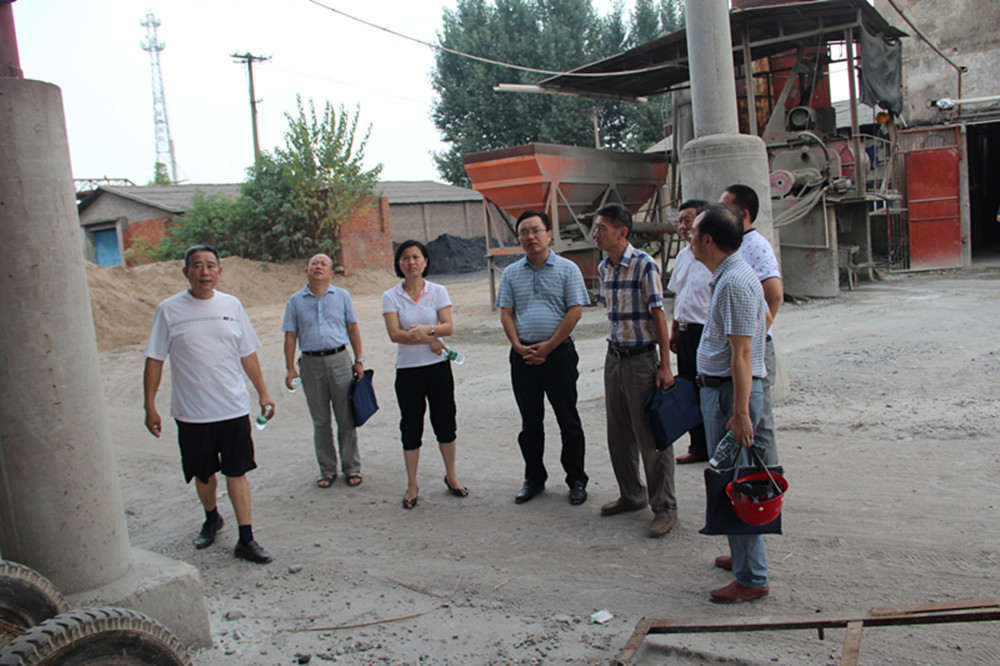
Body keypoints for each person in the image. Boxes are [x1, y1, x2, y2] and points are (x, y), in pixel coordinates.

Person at [143, 244, 274, 564]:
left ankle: (246, 538)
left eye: (211, 265)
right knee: (203, 474)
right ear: (185, 271)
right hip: (192, 412)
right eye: (197, 266)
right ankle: (212, 517)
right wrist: (149, 405)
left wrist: (263, 392)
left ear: (220, 271)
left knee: (237, 472)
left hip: (232, 408)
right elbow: (155, 359)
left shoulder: (232, 305)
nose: (205, 272)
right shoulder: (169, 310)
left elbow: (247, 353)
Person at [689, 205, 771, 602]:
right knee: (730, 479)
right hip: (722, 390)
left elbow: (742, 354)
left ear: (708, 240)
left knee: (739, 482)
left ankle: (752, 578)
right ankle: (743, 558)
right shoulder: (730, 276)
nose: (688, 239)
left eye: (692, 233)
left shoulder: (735, 281)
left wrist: (740, 413)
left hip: (729, 395)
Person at [592, 203, 678, 538]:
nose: (595, 234)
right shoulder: (605, 267)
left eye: (601, 228)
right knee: (618, 433)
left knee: (651, 437)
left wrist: (665, 365)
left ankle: (665, 508)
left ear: (622, 232)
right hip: (614, 357)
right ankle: (632, 495)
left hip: (642, 360)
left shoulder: (644, 264)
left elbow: (658, 315)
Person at [496, 210, 591, 506]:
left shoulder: (568, 269)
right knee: (530, 423)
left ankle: (576, 479)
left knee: (568, 420)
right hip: (523, 357)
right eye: (524, 232)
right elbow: (506, 313)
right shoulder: (511, 273)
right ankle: (534, 478)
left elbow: (575, 311)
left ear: (549, 234)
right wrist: (517, 346)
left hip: (559, 356)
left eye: (536, 230)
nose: (530, 236)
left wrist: (549, 346)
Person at [382, 240, 467, 510]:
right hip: (408, 371)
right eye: (405, 258)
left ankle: (451, 476)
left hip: (438, 368)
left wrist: (427, 331)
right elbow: (394, 334)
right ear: (399, 264)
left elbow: (448, 327)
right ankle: (412, 484)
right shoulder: (391, 296)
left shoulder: (438, 291)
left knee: (445, 422)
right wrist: (430, 339)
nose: (411, 262)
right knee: (410, 426)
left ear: (425, 261)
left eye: (416, 257)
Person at [283, 254, 365, 489]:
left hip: (340, 360)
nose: (318, 266)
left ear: (331, 273)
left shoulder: (342, 296)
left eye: (323, 264)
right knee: (320, 421)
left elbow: (353, 328)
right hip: (310, 364)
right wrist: (290, 368)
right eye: (314, 264)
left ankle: (351, 467)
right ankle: (327, 470)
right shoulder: (295, 301)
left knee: (346, 418)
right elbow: (290, 335)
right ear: (306, 271)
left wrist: (359, 360)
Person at [719, 184, 783, 467]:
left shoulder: (756, 245)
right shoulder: (734, 243)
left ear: (743, 213)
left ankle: (768, 479)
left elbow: (774, 294)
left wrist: (759, 330)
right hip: (740, 345)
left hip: (754, 347)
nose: (719, 211)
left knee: (759, 420)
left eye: (725, 206)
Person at [667, 199, 713, 465]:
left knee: (711, 391)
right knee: (689, 391)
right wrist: (674, 330)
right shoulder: (683, 256)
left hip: (707, 332)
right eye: (680, 221)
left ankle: (717, 444)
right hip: (685, 333)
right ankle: (698, 446)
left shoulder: (712, 256)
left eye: (688, 220)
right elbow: (680, 295)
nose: (683, 226)